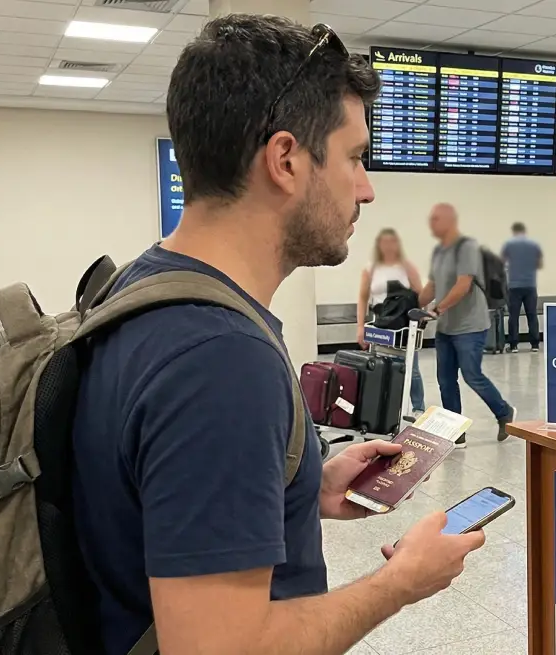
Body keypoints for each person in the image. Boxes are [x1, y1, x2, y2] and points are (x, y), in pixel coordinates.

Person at [71, 15, 484, 655]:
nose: (368, 190)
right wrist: (397, 583)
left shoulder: (142, 287)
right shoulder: (219, 359)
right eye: (354, 158)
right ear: (286, 160)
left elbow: (154, 500)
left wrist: (299, 485)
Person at [419, 203, 515, 447]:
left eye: (436, 219)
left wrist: (438, 309)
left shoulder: (467, 247)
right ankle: (455, 430)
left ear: (450, 221)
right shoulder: (439, 251)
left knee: (472, 375)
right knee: (445, 379)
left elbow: (463, 285)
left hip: (470, 325)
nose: (431, 224)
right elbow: (431, 286)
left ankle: (504, 412)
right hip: (446, 327)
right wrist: (411, 307)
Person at [358, 227, 425, 415]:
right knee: (381, 366)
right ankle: (386, 407)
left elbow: (420, 294)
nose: (388, 246)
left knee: (411, 368)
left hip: (403, 323)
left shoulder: (407, 267)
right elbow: (362, 298)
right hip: (380, 321)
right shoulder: (371, 269)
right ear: (379, 245)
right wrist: (360, 327)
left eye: (392, 242)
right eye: (384, 242)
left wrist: (420, 318)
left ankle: (418, 407)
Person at [500, 221, 542, 353]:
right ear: (524, 230)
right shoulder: (534, 244)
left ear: (513, 231)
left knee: (513, 316)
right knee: (532, 314)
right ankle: (535, 344)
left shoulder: (508, 244)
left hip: (514, 286)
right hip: (530, 285)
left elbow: (501, 263)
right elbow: (539, 264)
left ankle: (513, 346)